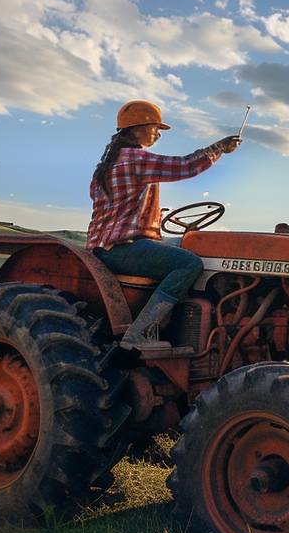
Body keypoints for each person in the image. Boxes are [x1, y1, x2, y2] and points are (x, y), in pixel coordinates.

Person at [87, 100, 242, 349]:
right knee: (189, 263)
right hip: (123, 249)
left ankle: (173, 328)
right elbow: (185, 166)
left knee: (183, 248)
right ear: (138, 128)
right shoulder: (135, 158)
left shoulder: (105, 167)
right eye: (155, 128)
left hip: (106, 247)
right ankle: (139, 334)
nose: (158, 134)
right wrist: (220, 147)